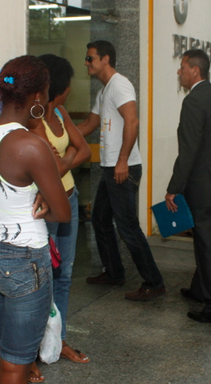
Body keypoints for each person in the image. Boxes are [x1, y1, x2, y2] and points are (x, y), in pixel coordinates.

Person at [0, 55, 71, 384]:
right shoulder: (30, 144)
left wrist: (33, 192)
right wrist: (41, 195)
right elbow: (63, 212)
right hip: (23, 260)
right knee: (16, 364)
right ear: (39, 96)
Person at [77, 40, 166, 301]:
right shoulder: (104, 91)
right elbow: (90, 124)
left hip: (122, 168)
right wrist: (58, 137)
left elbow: (132, 121)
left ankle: (154, 281)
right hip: (110, 168)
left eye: (90, 58)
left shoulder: (120, 85)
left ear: (105, 59)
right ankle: (114, 271)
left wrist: (123, 161)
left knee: (127, 227)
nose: (86, 63)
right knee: (101, 219)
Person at [27, 54, 91, 364]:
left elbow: (86, 150)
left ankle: (58, 340)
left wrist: (63, 162)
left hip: (70, 198)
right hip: (48, 206)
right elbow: (51, 162)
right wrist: (66, 161)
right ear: (59, 86)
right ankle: (37, 344)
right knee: (45, 276)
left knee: (64, 274)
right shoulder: (35, 118)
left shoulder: (61, 114)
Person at [164, 49, 211, 326]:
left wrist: (174, 188)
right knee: (209, 243)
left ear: (195, 70)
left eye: (182, 66)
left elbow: (189, 150)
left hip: (202, 189)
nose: (179, 72)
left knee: (205, 247)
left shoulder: (194, 102)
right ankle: (199, 289)